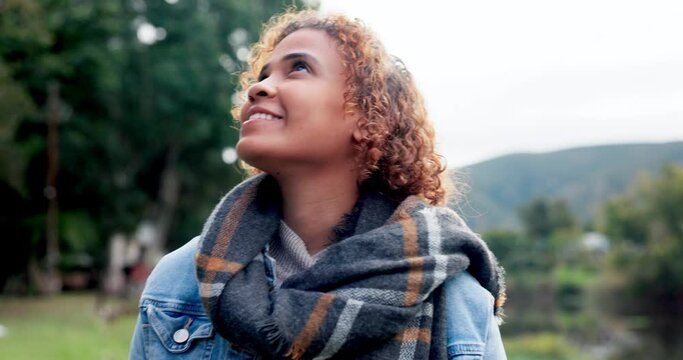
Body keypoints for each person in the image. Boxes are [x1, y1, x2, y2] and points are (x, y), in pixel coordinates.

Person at [129, 9, 506, 360]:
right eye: (263, 75)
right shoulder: (180, 281)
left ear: (367, 118)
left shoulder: (456, 299)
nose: (259, 89)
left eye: (298, 69)